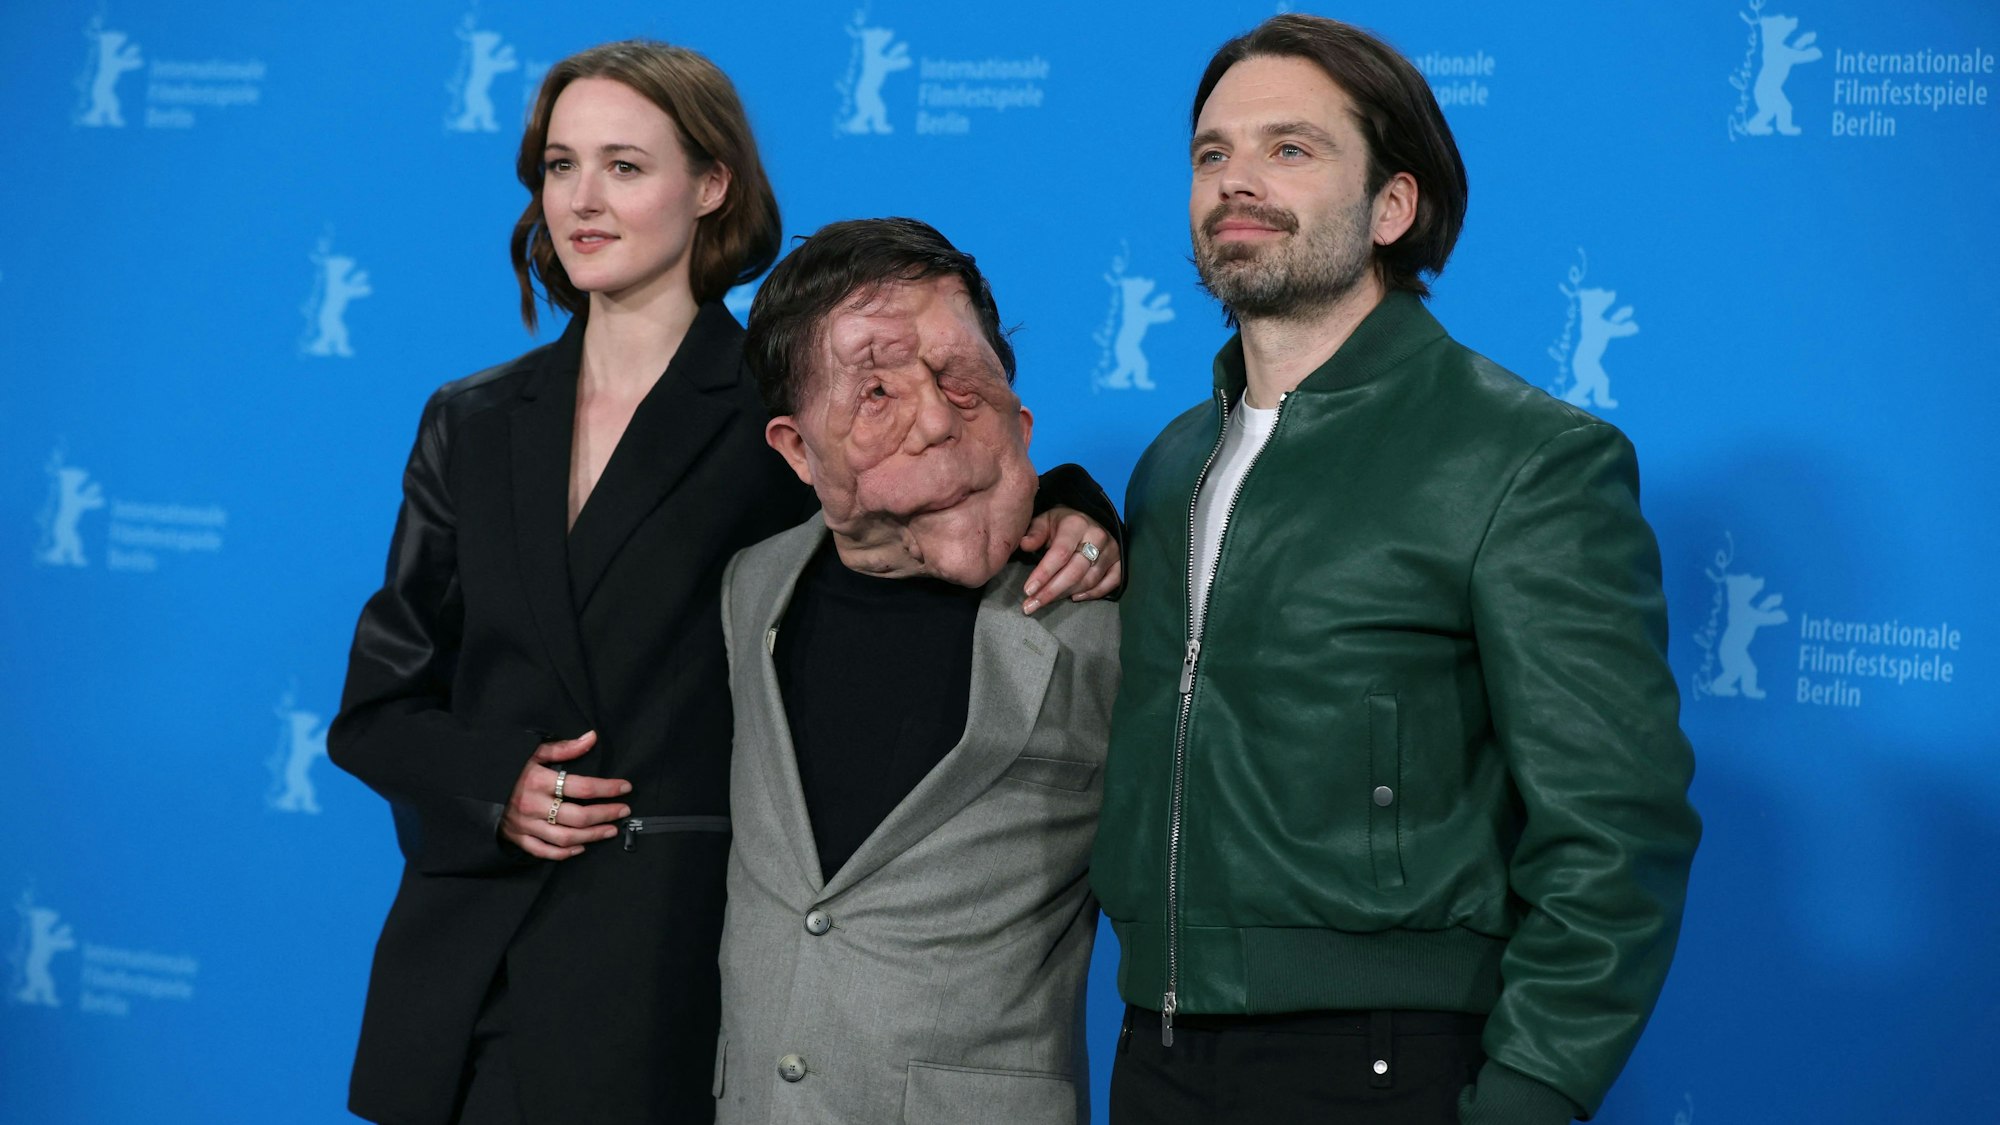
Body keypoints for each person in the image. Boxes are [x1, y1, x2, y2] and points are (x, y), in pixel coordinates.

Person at [328, 43, 1118, 1125]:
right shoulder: (467, 420)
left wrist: (1078, 505)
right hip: (468, 962)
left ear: (711, 186)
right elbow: (375, 714)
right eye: (559, 167)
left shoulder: (790, 413)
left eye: (623, 165)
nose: (583, 199)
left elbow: (940, 479)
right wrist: (490, 786)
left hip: (663, 970)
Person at [1089, 15, 1701, 1125]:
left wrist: (1528, 1091)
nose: (1235, 181)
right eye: (1211, 152)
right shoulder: (1173, 462)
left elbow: (1617, 829)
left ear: (1391, 208)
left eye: (1290, 149)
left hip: (1384, 1065)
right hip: (1158, 1051)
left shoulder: (1524, 459)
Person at [710, 218, 1118, 1124]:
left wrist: (1084, 507)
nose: (936, 420)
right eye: (878, 391)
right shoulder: (751, 591)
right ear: (795, 449)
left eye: (959, 378)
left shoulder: (1107, 617)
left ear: (1019, 408)